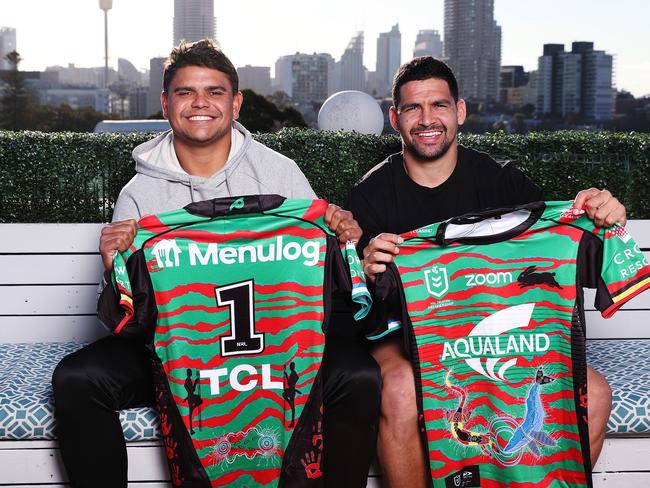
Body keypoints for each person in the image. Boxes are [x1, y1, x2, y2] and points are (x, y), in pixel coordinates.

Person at [52, 39, 380, 488]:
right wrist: (116, 265)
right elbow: (127, 319)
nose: (201, 103)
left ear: (237, 103)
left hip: (276, 346)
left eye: (215, 92)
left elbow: (325, 282)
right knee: (77, 379)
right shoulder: (138, 194)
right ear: (166, 104)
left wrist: (342, 237)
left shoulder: (280, 174)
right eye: (186, 92)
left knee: (360, 375)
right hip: (180, 354)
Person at [346, 56, 623, 487]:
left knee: (598, 393)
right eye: (412, 109)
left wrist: (602, 215)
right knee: (399, 390)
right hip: (408, 336)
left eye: (438, 105)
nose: (426, 119)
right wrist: (364, 267)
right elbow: (352, 303)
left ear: (459, 111)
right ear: (394, 117)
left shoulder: (503, 181)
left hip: (500, 330)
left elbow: (555, 246)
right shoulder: (370, 195)